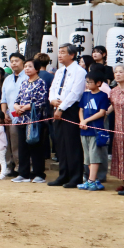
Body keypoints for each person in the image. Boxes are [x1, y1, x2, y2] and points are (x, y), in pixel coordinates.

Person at [47, 44, 87, 188]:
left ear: (72, 55)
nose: (60, 55)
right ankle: (63, 175)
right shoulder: (59, 71)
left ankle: (75, 177)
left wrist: (61, 108)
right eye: (59, 52)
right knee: (60, 143)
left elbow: (75, 93)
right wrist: (52, 101)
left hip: (70, 109)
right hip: (57, 107)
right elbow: (52, 88)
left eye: (63, 52)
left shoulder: (79, 71)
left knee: (72, 144)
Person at [9, 59, 49, 184]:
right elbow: (18, 99)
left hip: (35, 120)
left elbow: (42, 101)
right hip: (22, 119)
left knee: (35, 147)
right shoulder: (24, 82)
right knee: (22, 148)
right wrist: (16, 106)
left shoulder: (41, 83)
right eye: (25, 66)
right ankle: (23, 174)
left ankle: (39, 174)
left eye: (30, 66)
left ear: (36, 69)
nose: (26, 68)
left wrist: (26, 107)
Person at [76, 71, 113, 191]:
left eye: (90, 82)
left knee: (94, 156)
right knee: (87, 157)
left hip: (95, 131)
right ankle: (94, 180)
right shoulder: (85, 94)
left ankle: (91, 181)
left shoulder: (102, 96)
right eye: (87, 82)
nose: (87, 84)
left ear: (98, 83)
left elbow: (102, 112)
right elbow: (81, 109)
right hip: (84, 130)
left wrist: (86, 121)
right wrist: (82, 121)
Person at [0, 53, 26, 175]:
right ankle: (10, 165)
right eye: (12, 61)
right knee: (8, 141)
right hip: (9, 115)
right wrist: (4, 113)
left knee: (18, 142)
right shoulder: (7, 79)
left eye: (16, 60)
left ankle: (20, 166)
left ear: (23, 62)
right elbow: (3, 99)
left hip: (23, 115)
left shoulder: (27, 77)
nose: (14, 63)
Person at [109, 64, 124, 195]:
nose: (118, 74)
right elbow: (112, 106)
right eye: (116, 72)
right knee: (121, 153)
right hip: (118, 127)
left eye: (121, 72)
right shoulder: (113, 91)